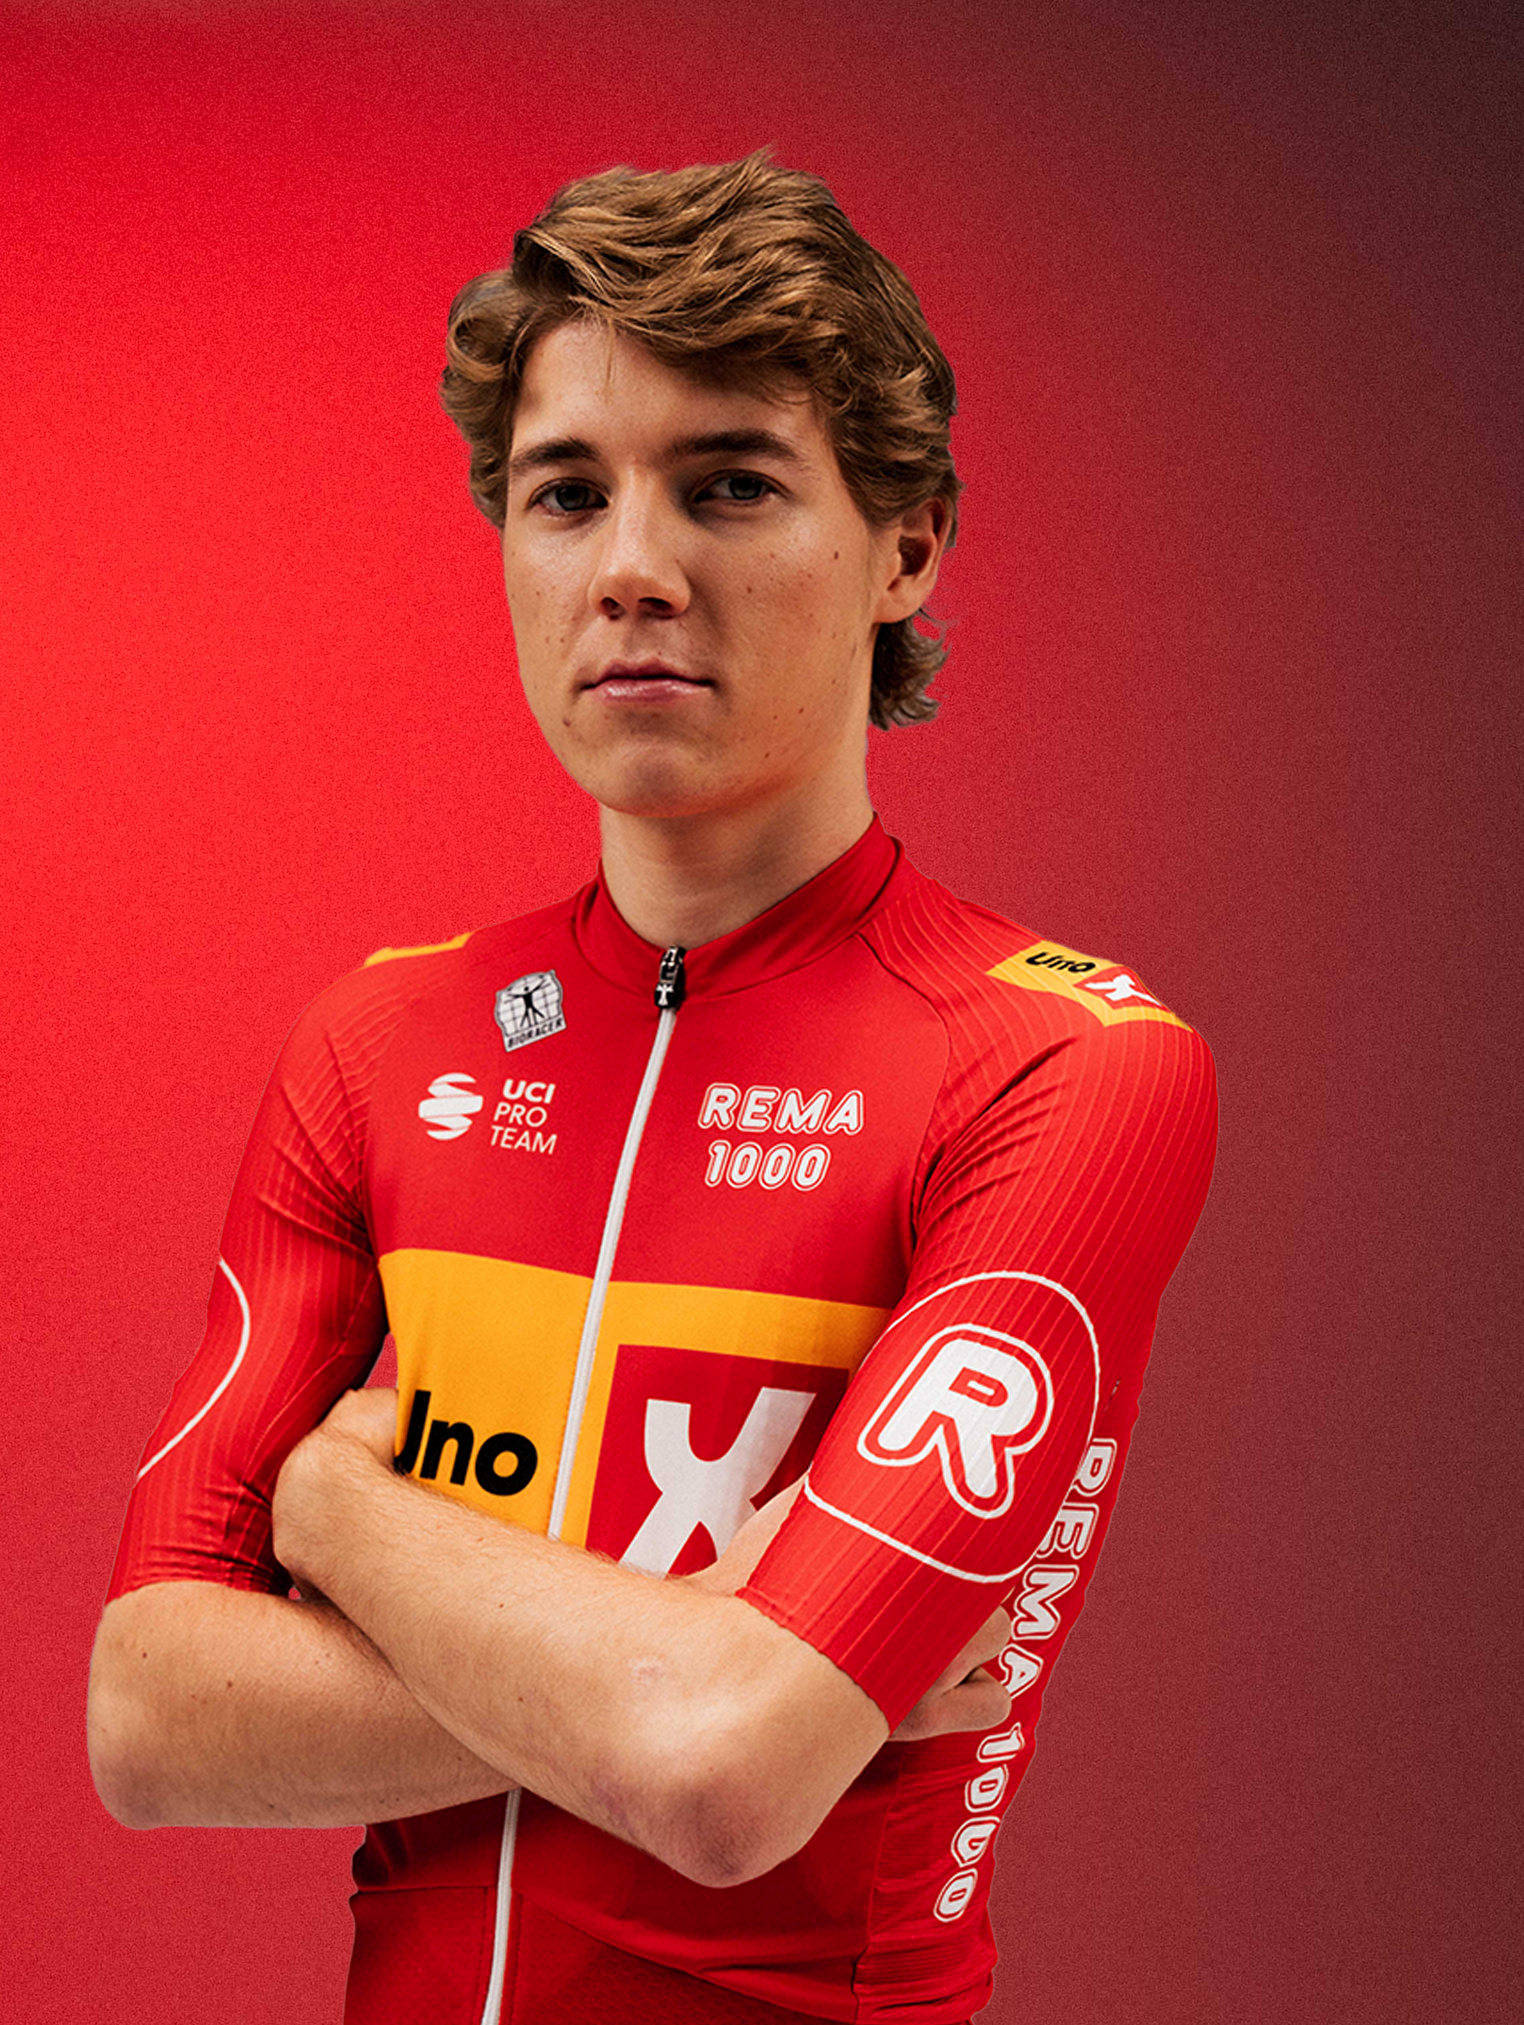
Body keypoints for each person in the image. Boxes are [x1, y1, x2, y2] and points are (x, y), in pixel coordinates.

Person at [88, 151, 1217, 2024]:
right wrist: (688, 1654)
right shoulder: (378, 1042)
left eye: (730, 484)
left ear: (908, 546)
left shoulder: (1064, 1067)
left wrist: (339, 1518)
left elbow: (720, 1778)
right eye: (566, 492)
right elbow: (146, 1716)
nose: (630, 566)